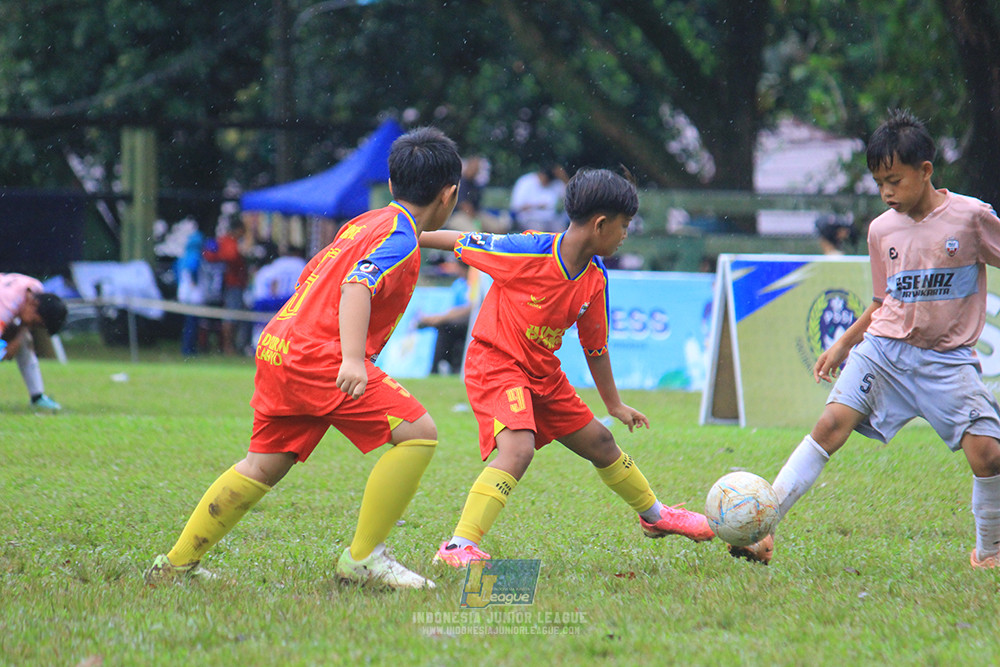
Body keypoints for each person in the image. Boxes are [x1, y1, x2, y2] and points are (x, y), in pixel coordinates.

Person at [144, 127, 463, 589]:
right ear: (449, 194)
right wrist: (351, 359)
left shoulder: (364, 224)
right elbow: (357, 284)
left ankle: (175, 565)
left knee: (262, 465)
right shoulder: (400, 239)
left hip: (281, 344)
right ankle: (364, 558)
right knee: (419, 434)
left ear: (392, 184)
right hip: (322, 356)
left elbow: (318, 273)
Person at [730, 109, 1000, 568]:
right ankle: (762, 528)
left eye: (894, 180)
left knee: (988, 455)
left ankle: (989, 552)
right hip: (884, 352)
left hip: (947, 361)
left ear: (925, 170)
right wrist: (843, 344)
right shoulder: (881, 230)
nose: (886, 192)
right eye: (879, 183)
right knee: (829, 427)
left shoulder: (971, 217)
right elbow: (882, 301)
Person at [419, 168, 714, 568]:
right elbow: (459, 240)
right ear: (600, 224)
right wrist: (405, 233)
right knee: (518, 449)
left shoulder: (595, 278)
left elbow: (596, 348)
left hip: (543, 373)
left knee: (602, 443)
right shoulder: (525, 250)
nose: (626, 235)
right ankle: (458, 547)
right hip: (497, 363)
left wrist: (614, 405)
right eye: (624, 225)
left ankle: (655, 516)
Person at [0, 273, 68, 411]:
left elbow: (25, 321)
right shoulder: (6, 307)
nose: (33, 326)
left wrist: (17, 338)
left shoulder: (35, 288)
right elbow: (4, 353)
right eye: (36, 323)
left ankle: (37, 397)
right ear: (34, 305)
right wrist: (6, 350)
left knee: (25, 340)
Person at [203, 218, 249, 355]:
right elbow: (231, 257)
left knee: (232, 315)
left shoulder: (223, 241)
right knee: (231, 316)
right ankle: (227, 346)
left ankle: (228, 345)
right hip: (232, 284)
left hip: (228, 284)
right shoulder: (229, 242)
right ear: (238, 230)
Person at [416, 258, 471, 375]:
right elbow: (454, 308)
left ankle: (437, 368)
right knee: (444, 326)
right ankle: (441, 366)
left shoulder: (474, 284)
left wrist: (440, 318)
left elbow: (470, 308)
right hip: (456, 321)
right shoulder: (458, 284)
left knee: (443, 326)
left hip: (470, 322)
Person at [509, 164, 569, 233]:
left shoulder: (555, 183)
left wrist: (563, 177)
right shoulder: (526, 181)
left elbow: (570, 196)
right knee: (539, 230)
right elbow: (516, 207)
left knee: (562, 231)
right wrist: (536, 206)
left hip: (550, 219)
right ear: (541, 174)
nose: (546, 183)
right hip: (529, 218)